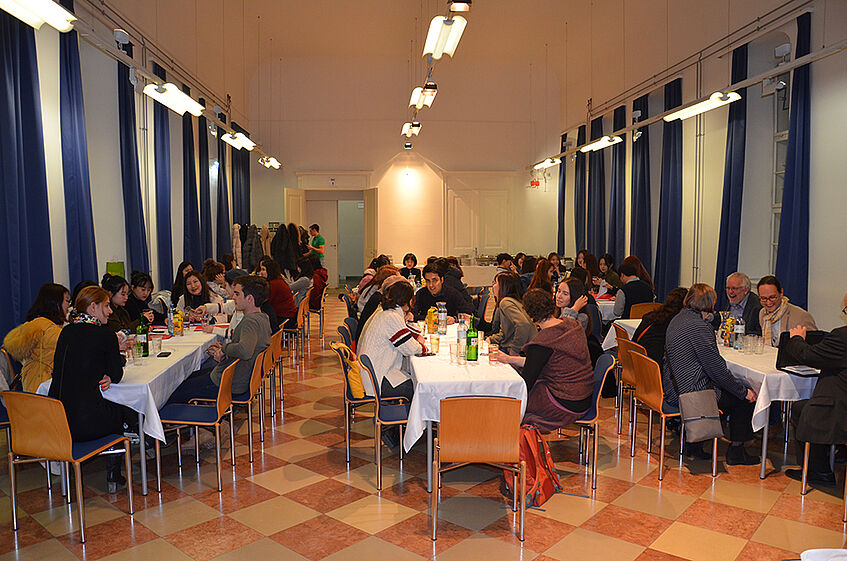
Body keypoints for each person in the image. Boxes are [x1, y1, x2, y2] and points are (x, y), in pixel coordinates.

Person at [48, 286, 137, 492]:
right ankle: (115, 474)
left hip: (57, 423)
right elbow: (116, 374)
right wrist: (110, 372)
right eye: (106, 305)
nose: (110, 311)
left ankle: (147, 438)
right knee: (122, 408)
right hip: (87, 425)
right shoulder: (105, 334)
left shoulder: (65, 332)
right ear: (93, 307)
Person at [663, 284, 758, 464]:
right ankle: (737, 451)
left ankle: (694, 443)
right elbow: (716, 370)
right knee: (743, 398)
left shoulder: (679, 319)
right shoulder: (699, 327)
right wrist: (742, 391)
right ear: (710, 303)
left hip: (673, 386)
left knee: (732, 387)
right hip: (689, 395)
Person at [493, 289, 594, 432]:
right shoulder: (572, 326)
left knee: (509, 405)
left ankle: (502, 445)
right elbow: (543, 363)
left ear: (529, 315)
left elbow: (525, 384)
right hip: (584, 397)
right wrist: (510, 359)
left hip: (564, 403)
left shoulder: (543, 343)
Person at [167, 276, 271, 404]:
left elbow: (245, 351)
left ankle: (174, 421)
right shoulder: (263, 317)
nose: (233, 297)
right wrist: (227, 351)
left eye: (237, 294)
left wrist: (224, 349)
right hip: (237, 375)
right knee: (190, 377)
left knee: (174, 390)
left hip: (230, 382)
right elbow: (246, 347)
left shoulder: (249, 321)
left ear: (249, 299)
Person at [783, 293, 847, 485]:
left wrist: (796, 338)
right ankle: (821, 466)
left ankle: (816, 471)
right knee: (807, 407)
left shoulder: (842, 336)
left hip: (840, 407)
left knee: (804, 409)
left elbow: (808, 355)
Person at [358, 282, 424, 403]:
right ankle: (407, 421)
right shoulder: (391, 317)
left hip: (373, 373)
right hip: (378, 379)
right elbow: (411, 349)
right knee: (419, 386)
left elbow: (403, 334)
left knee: (414, 378)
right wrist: (421, 345)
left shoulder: (385, 312)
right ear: (409, 301)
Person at [3, 283, 68, 392]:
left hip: (37, 381)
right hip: (41, 384)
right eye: (66, 300)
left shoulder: (44, 325)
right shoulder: (43, 327)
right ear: (55, 302)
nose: (68, 305)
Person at [757, 275, 817, 347]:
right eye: (763, 298)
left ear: (781, 293)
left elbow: (812, 346)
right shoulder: (762, 314)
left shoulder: (801, 316)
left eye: (772, 297)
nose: (768, 302)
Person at [633, 287, 688, 364]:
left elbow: (634, 341)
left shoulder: (649, 317)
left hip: (639, 363)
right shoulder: (675, 324)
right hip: (656, 368)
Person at [488, 272, 537, 355]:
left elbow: (523, 325)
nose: (493, 286)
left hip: (518, 350)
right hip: (525, 348)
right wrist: (492, 339)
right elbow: (506, 333)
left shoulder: (505, 302)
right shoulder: (514, 301)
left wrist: (514, 350)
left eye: (495, 283)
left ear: (503, 286)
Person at [356, 274, 407, 344]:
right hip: (367, 345)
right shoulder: (382, 304)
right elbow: (408, 346)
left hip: (364, 343)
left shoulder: (379, 296)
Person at [259, 257, 297, 328]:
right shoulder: (279, 281)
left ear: (270, 271)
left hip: (284, 318)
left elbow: (267, 302)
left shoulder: (274, 284)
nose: (261, 272)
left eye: (263, 270)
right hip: (290, 316)